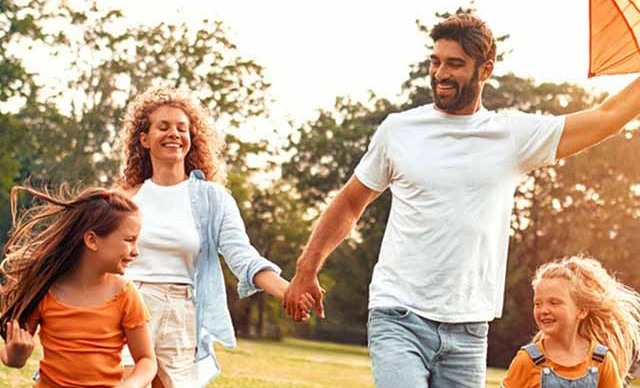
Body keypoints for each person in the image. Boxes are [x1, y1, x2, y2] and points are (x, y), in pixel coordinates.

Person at [283, 12, 640, 388]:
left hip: (469, 329)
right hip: (399, 313)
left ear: (485, 70)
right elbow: (350, 202)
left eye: (454, 64)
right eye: (435, 62)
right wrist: (307, 268)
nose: (440, 74)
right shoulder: (399, 131)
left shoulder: (512, 137)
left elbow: (607, 116)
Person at [116, 86, 314, 388]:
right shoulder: (124, 197)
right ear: (143, 139)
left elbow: (243, 257)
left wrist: (289, 291)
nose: (174, 134)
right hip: (125, 303)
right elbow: (91, 255)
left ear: (191, 140)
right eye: (163, 127)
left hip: (180, 311)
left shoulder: (212, 198)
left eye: (182, 128)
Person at [0, 186, 156, 388]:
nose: (136, 252)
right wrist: (16, 354)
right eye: (129, 240)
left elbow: (147, 360)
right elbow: (12, 359)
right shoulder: (45, 290)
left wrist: (131, 384)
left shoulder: (125, 295)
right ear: (92, 240)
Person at [502, 256, 640, 387]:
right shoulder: (526, 360)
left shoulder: (602, 360)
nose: (543, 310)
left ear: (581, 311)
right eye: (538, 303)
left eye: (554, 302)